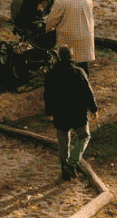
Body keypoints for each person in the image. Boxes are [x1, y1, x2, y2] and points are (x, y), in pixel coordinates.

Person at [44, 45, 98, 181]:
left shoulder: (51, 73)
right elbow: (87, 92)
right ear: (72, 57)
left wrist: (49, 112)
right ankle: (72, 162)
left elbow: (48, 95)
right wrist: (93, 109)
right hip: (77, 113)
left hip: (60, 113)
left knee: (63, 142)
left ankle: (65, 169)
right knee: (84, 136)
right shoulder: (79, 72)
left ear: (58, 57)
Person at [46, 0, 96, 77]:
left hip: (69, 36)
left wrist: (48, 28)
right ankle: (84, 81)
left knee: (66, 61)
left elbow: (53, 18)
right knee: (83, 62)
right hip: (85, 34)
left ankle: (65, 82)